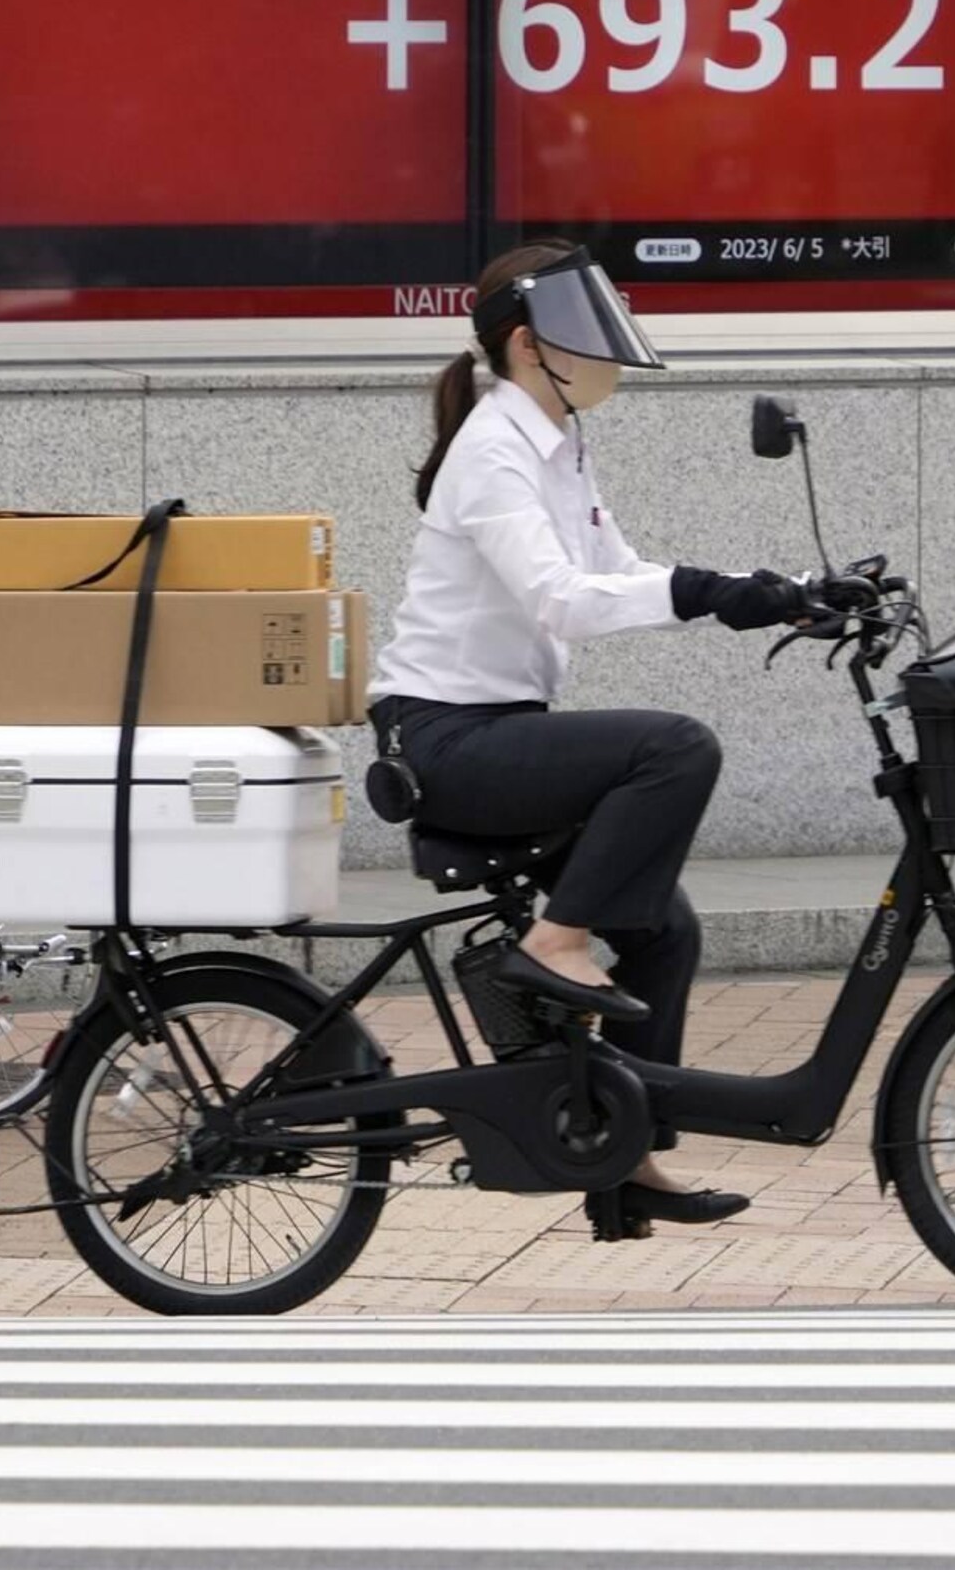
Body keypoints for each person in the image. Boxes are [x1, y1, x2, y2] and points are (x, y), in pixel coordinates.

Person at [370, 240, 798, 1231]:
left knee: (664, 922)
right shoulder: (493, 447)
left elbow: (622, 565)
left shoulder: (558, 440)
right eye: (584, 330)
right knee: (674, 747)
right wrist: (700, 594)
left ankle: (622, 1154)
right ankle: (553, 940)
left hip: (497, 729)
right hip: (441, 743)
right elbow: (561, 600)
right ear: (529, 345)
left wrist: (772, 591)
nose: (607, 351)